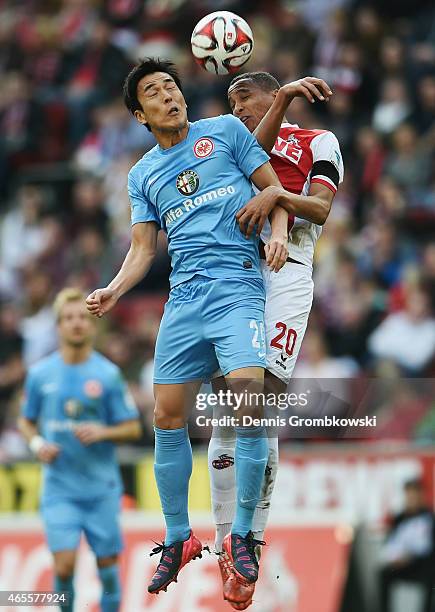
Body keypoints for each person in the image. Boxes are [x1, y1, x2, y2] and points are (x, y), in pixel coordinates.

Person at [85, 58, 291, 597]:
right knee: (165, 415)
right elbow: (142, 248)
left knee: (249, 400)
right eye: (154, 92)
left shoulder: (224, 132)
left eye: (172, 86)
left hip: (237, 287)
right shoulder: (142, 174)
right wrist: (113, 289)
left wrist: (276, 233)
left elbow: (273, 192)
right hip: (184, 300)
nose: (169, 95)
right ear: (139, 114)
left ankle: (244, 535)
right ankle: (178, 536)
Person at [208, 72, 344, 609]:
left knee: (257, 404)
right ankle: (226, 539)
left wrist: (276, 197)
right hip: (235, 274)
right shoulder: (230, 144)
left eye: (243, 96)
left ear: (271, 94)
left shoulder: (318, 142)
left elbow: (322, 209)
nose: (235, 106)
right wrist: (269, 197)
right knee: (228, 409)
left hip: (288, 273)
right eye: (229, 98)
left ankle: (253, 538)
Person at [18, 288, 141, 612]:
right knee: (63, 566)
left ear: (93, 326)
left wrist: (104, 431)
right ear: (58, 325)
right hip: (60, 490)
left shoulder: (108, 376)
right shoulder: (40, 375)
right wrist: (37, 443)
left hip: (101, 489)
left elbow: (133, 428)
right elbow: (26, 421)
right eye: (68, 318)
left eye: (82, 318)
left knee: (109, 572)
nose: (76, 324)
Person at [379, 479, 435, 612]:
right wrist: (395, 558)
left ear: (421, 496)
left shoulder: (429, 517)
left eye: (414, 495)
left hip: (424, 564)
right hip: (402, 564)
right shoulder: (399, 518)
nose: (412, 499)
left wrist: (411, 556)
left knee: (430, 570)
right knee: (384, 573)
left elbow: (427, 546)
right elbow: (391, 544)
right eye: (409, 496)